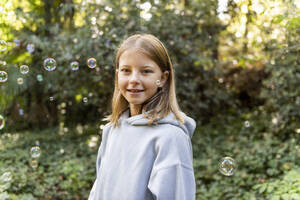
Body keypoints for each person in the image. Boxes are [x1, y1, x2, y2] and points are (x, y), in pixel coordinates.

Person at [88, 33, 196, 200]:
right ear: (117, 74)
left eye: (146, 71)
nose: (133, 79)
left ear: (163, 78)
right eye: (126, 70)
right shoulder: (111, 129)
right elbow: (99, 189)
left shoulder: (170, 138)